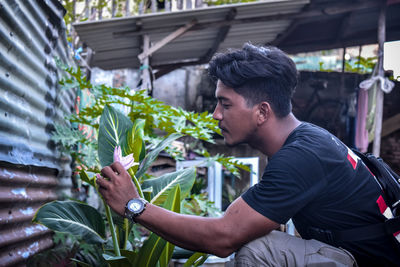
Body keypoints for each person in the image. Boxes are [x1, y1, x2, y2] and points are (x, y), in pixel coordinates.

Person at [96, 43, 400, 266]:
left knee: (259, 251)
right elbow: (233, 221)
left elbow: (223, 237)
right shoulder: (305, 141)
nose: (215, 115)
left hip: (368, 261)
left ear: (262, 112)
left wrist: (134, 206)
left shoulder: (300, 157)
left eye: (225, 104)